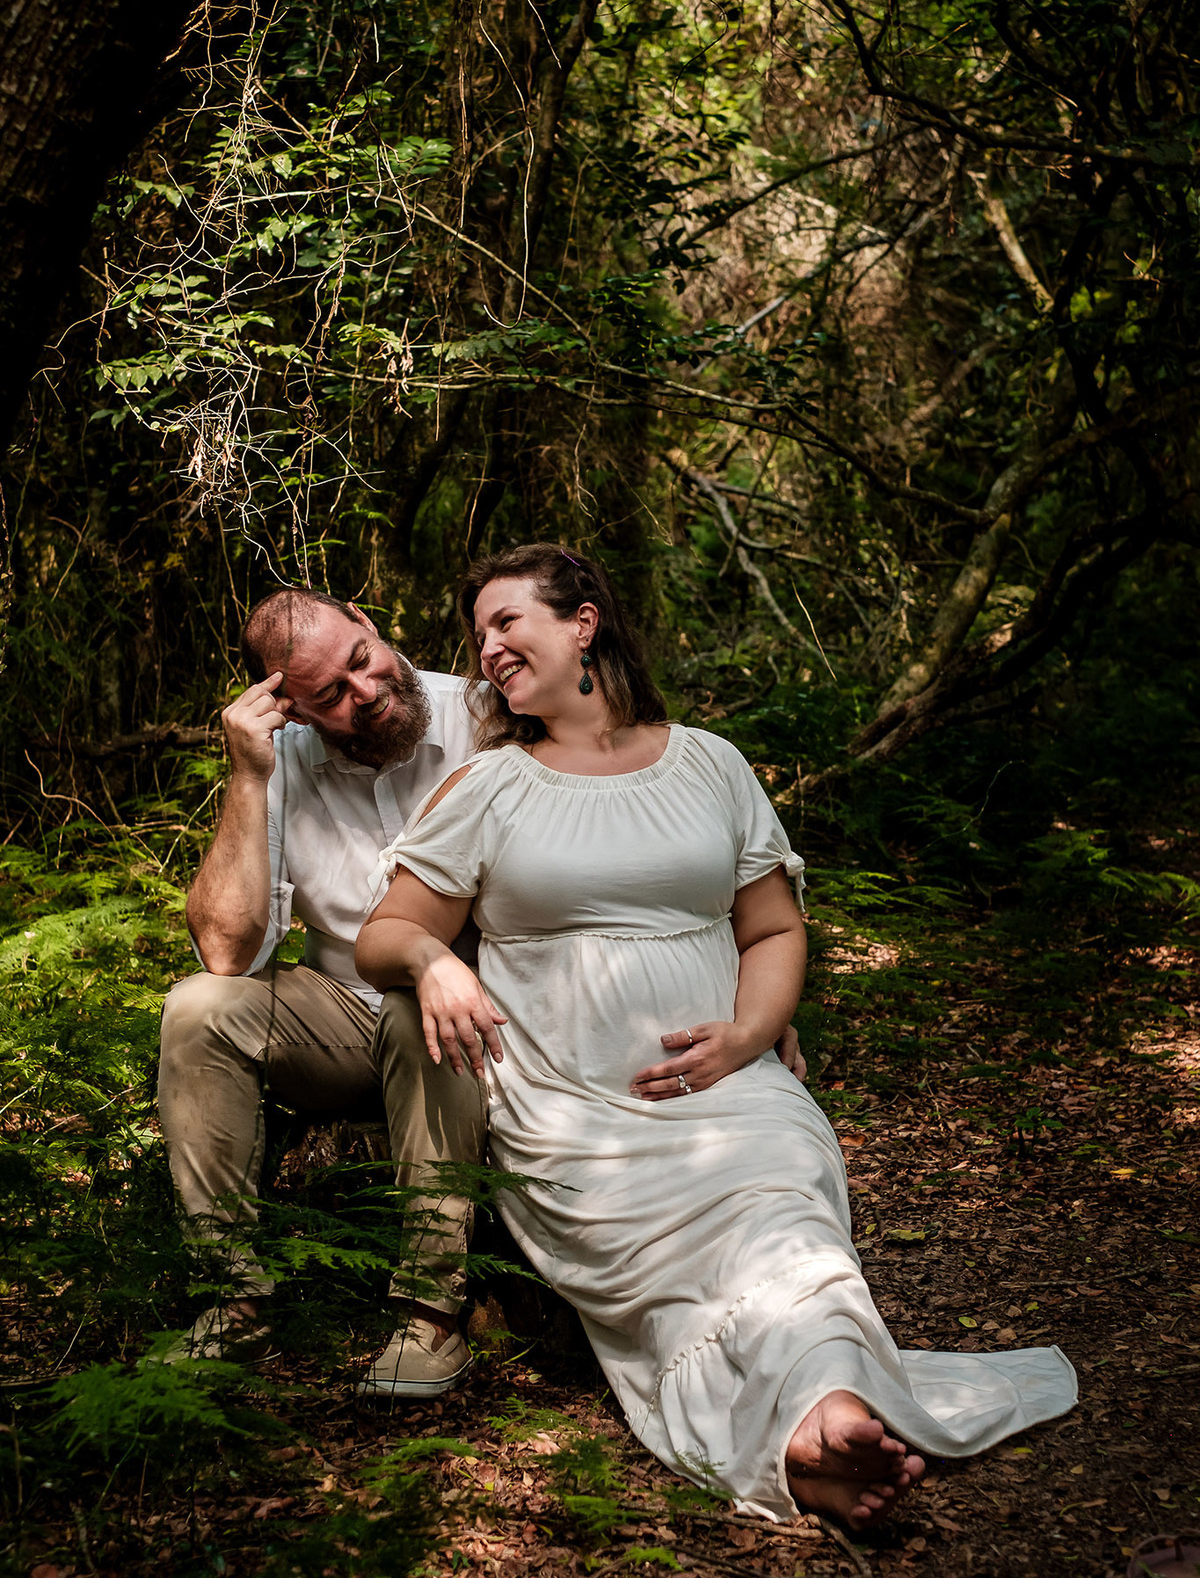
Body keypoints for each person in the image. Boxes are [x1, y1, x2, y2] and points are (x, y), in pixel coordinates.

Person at [356, 543, 1078, 1529]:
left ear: (583, 625)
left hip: (724, 1088)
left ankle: (820, 1418)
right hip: (571, 1106)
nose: (487, 648)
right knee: (677, 1282)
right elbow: (385, 935)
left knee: (789, 1213)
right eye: (478, 633)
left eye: (506, 622)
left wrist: (750, 1036)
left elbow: (774, 928)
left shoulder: (709, 763)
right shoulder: (489, 788)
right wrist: (437, 963)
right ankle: (813, 1431)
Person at [160, 587, 486, 1396]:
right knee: (196, 1008)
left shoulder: (481, 715)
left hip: (481, 1006)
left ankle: (430, 1316)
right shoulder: (279, 762)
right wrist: (247, 778)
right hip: (342, 1011)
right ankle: (235, 1304)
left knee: (421, 1010)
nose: (367, 694)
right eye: (331, 697)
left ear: (370, 624)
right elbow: (227, 951)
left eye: (361, 661)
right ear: (290, 711)